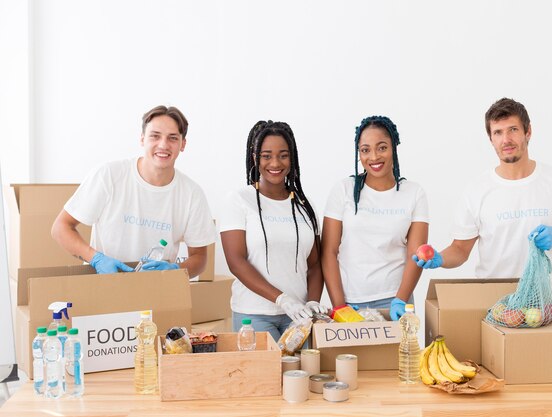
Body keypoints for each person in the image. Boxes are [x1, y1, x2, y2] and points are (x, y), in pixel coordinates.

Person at [415, 98, 552, 309]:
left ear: (528, 132)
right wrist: (439, 258)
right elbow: (460, 249)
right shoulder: (477, 189)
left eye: (513, 129)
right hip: (494, 305)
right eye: (498, 132)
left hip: (545, 305)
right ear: (491, 139)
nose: (506, 139)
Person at [51, 105, 215, 278]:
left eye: (172, 138)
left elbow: (199, 257)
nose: (163, 145)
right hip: (104, 285)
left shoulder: (192, 194)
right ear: (142, 139)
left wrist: (175, 270)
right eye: (155, 136)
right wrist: (96, 259)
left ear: (183, 144)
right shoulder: (109, 175)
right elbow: (60, 228)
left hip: (157, 290)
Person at [219, 120, 326, 341]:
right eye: (266, 155)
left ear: (292, 158)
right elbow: (236, 261)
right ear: (255, 158)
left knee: (301, 375)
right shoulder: (239, 200)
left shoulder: (305, 206)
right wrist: (282, 300)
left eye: (283, 155)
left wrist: (313, 301)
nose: (275, 162)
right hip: (254, 316)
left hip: (299, 318)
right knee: (264, 376)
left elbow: (315, 265)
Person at [321, 115, 429, 321]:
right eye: (365, 150)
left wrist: (401, 299)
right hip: (350, 301)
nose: (374, 157)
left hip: (395, 300)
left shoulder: (414, 193)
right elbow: (328, 251)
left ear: (394, 148)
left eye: (382, 147)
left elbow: (415, 255)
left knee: (400, 354)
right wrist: (339, 306)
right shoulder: (343, 190)